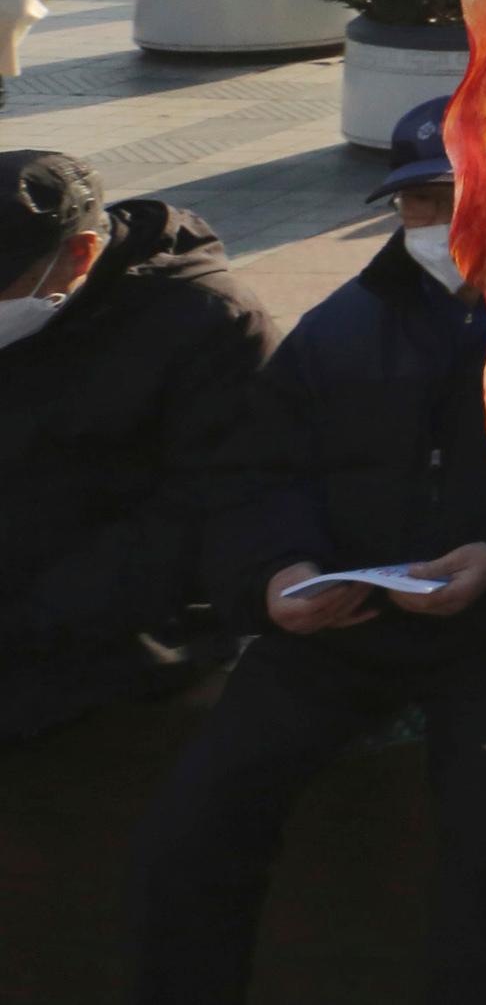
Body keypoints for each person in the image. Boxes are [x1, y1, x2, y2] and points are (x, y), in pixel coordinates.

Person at [132, 98, 486, 1005]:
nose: (442, 226)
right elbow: (256, 470)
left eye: (470, 196)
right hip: (346, 618)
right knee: (191, 828)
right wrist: (276, 573)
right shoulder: (345, 321)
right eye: (422, 203)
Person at [0, 150, 273, 741]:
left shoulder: (208, 322)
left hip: (124, 625)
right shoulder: (35, 304)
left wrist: (24, 616)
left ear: (81, 253)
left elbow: (201, 512)